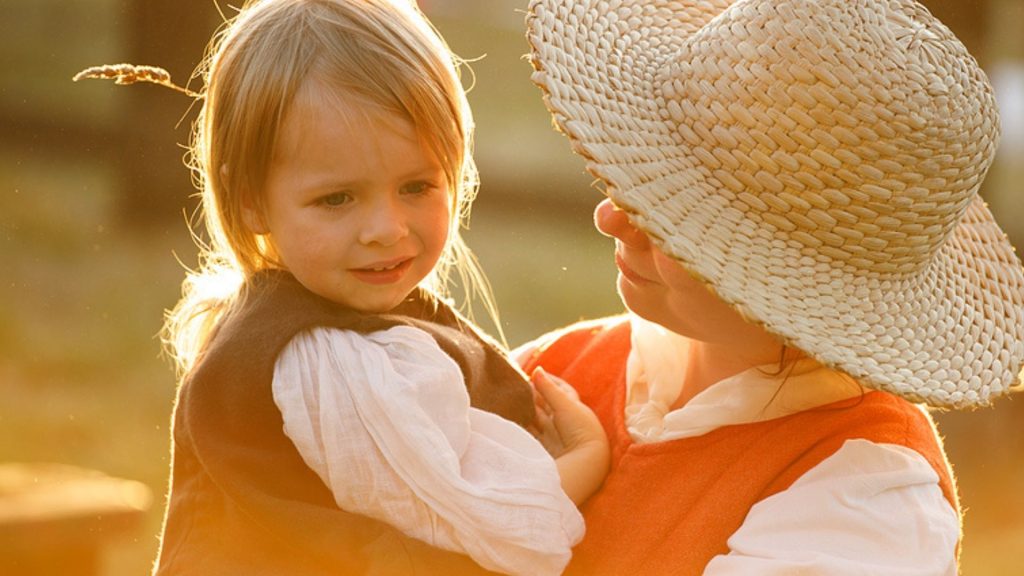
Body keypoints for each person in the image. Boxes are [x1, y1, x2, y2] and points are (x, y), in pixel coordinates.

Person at [520, 0, 1024, 574]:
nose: (611, 218)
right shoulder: (565, 368)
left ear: (791, 285)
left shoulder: (860, 505)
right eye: (633, 184)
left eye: (674, 216)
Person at [137, 0, 609, 574]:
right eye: (336, 198)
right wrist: (586, 459)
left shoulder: (346, 322)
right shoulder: (323, 362)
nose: (386, 230)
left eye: (416, 186)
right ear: (251, 201)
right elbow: (493, 526)